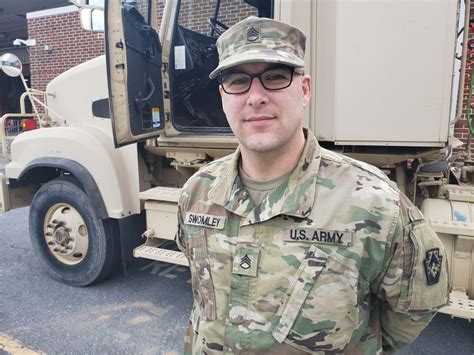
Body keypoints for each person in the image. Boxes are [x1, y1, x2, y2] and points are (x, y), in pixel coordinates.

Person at [177, 16, 449, 354]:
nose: (255, 96)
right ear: (223, 96)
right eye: (237, 81)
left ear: (304, 90)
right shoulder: (197, 193)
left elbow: (416, 306)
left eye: (275, 77)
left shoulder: (374, 203)